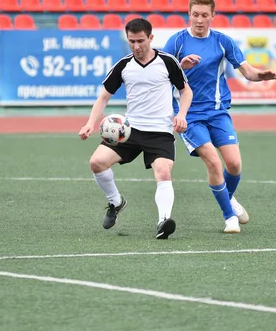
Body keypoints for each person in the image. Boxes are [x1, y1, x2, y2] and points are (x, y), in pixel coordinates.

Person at [162, 0, 276, 234]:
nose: (199, 20)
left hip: (217, 112)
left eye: (204, 15)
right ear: (189, 14)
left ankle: (228, 197)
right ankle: (229, 218)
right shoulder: (176, 42)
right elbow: (161, 75)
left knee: (235, 165)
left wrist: (262, 76)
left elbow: (248, 72)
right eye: (195, 15)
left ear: (213, 16)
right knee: (214, 163)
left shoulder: (222, 41)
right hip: (189, 115)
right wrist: (180, 65)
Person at [79, 18, 193, 239]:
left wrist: (181, 115)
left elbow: (186, 91)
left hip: (160, 131)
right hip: (129, 131)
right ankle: (115, 202)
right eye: (132, 41)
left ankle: (163, 222)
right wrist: (89, 123)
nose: (136, 46)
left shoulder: (167, 62)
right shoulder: (124, 65)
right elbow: (103, 98)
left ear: (150, 38)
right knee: (96, 163)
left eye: (141, 40)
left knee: (163, 172)